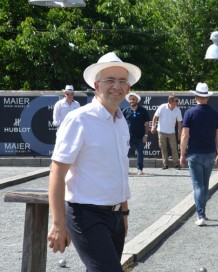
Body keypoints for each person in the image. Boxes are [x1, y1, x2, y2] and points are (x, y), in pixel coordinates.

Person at [47, 51, 140, 271]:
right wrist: (58, 223)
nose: (116, 86)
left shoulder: (121, 122)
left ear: (128, 89)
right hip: (86, 215)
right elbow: (57, 172)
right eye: (110, 80)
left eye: (122, 81)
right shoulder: (79, 119)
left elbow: (119, 171)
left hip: (115, 216)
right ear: (96, 86)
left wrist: (124, 213)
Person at [180, 82, 218, 226]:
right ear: (207, 98)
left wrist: (182, 154)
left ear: (195, 97)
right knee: (205, 185)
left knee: (198, 186)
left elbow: (184, 135)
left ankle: (201, 215)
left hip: (194, 153)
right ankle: (203, 212)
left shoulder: (189, 113)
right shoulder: (215, 114)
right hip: (210, 153)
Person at [151, 95, 183, 170]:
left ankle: (176, 164)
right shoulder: (162, 107)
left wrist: (179, 133)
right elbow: (155, 117)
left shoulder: (177, 110)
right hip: (161, 131)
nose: (177, 102)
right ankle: (165, 164)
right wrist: (153, 127)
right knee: (163, 148)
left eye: (177, 101)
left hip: (172, 132)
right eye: (176, 101)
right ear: (170, 101)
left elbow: (179, 123)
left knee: (174, 148)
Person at [122, 92, 150, 175]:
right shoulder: (125, 111)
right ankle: (125, 170)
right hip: (128, 137)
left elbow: (147, 124)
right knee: (126, 154)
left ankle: (140, 169)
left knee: (140, 153)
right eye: (130, 99)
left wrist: (146, 135)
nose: (132, 100)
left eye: (133, 99)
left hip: (140, 136)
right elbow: (120, 123)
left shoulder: (143, 110)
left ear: (137, 100)